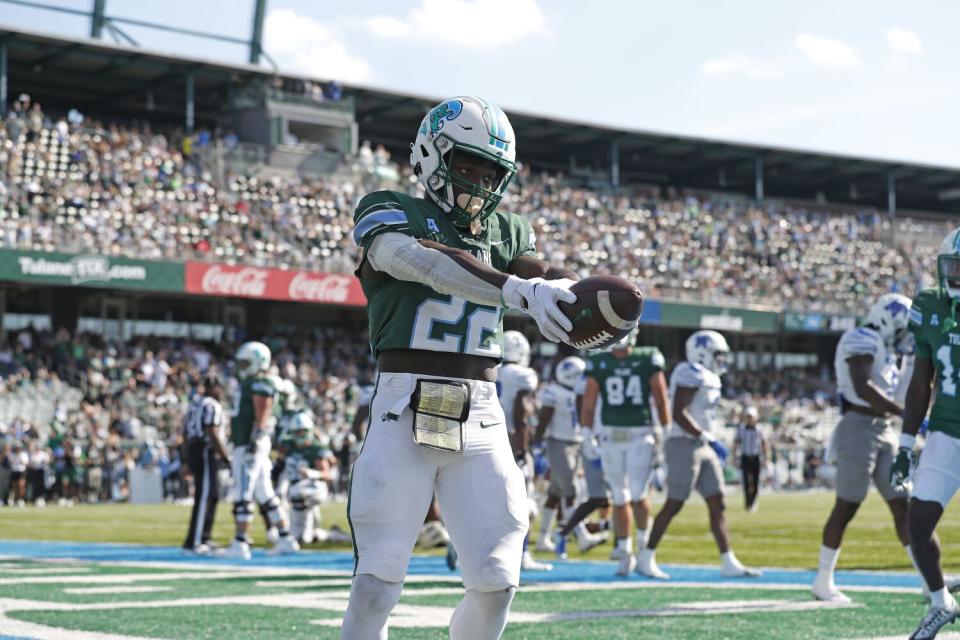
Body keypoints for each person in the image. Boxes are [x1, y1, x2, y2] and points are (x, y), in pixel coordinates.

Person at [341, 96, 587, 640]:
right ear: (432, 156)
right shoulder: (388, 208)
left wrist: (579, 295)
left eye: (490, 170)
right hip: (403, 407)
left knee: (498, 577)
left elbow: (539, 272)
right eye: (467, 164)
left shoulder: (508, 231)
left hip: (481, 414)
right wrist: (519, 290)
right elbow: (422, 262)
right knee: (376, 583)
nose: (478, 181)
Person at [812, 294, 917, 603]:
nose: (903, 335)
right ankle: (822, 580)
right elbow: (862, 387)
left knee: (903, 505)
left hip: (884, 430)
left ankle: (928, 577)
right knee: (847, 505)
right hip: (859, 427)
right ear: (887, 319)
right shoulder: (861, 337)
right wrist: (903, 413)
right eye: (901, 328)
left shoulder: (886, 348)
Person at [641, 330, 760, 580]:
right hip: (684, 443)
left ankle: (728, 561)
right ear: (702, 352)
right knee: (675, 502)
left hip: (702, 443)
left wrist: (707, 438)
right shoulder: (689, 372)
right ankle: (646, 557)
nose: (721, 360)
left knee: (717, 501)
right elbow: (679, 412)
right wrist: (706, 436)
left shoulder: (710, 377)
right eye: (718, 354)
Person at [891, 227, 960, 639]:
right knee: (918, 521)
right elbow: (921, 381)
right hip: (948, 432)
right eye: (953, 266)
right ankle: (940, 602)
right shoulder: (931, 304)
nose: (955, 276)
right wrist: (904, 444)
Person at [580, 329, 671, 576]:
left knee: (639, 494)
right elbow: (589, 403)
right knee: (619, 497)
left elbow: (661, 399)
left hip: (640, 434)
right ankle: (625, 551)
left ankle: (644, 549)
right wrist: (587, 432)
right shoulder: (599, 361)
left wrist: (665, 430)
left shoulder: (647, 357)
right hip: (611, 434)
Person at [221, 341, 299, 559]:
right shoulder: (255, 382)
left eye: (246, 363)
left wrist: (256, 437)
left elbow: (262, 415)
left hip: (251, 443)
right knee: (265, 492)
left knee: (243, 491)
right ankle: (286, 538)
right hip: (252, 442)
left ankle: (240, 542)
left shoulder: (260, 383)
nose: (241, 367)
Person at [534, 356, 606, 558]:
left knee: (555, 493)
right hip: (558, 443)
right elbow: (543, 420)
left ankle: (542, 539)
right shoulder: (553, 392)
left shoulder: (578, 392)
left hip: (575, 443)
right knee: (571, 489)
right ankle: (581, 535)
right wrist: (537, 444)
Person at [499, 330, 552, 571]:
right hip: (512, 440)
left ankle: (461, 549)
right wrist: (522, 451)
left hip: (488, 438)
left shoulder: (491, 369)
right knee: (523, 503)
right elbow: (520, 416)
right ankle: (522, 555)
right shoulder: (524, 375)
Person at [182, 375, 230, 555]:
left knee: (213, 494)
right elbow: (211, 431)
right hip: (205, 449)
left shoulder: (194, 404)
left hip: (196, 449)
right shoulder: (211, 405)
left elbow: (185, 433)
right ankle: (194, 541)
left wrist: (185, 459)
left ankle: (204, 537)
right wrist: (225, 456)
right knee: (204, 496)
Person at [734, 406, 765, 512]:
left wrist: (766, 457)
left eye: (751, 417)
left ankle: (753, 501)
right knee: (747, 481)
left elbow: (764, 444)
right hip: (745, 457)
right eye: (748, 417)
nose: (750, 419)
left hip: (756, 457)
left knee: (755, 482)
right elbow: (736, 443)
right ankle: (748, 504)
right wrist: (735, 457)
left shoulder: (760, 429)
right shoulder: (741, 429)